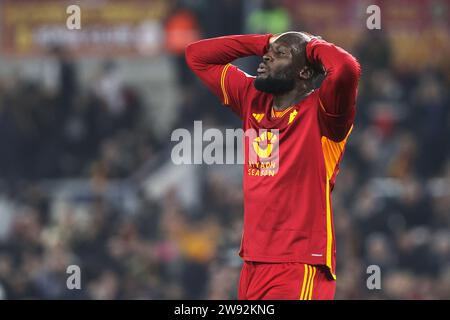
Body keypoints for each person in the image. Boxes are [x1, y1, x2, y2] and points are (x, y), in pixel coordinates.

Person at [185, 31, 361, 300]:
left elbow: (347, 68)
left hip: (299, 264)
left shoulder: (325, 114)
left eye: (280, 54)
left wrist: (311, 46)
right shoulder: (251, 98)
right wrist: (265, 41)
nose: (266, 56)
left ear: (303, 72)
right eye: (269, 51)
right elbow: (197, 56)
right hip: (253, 263)